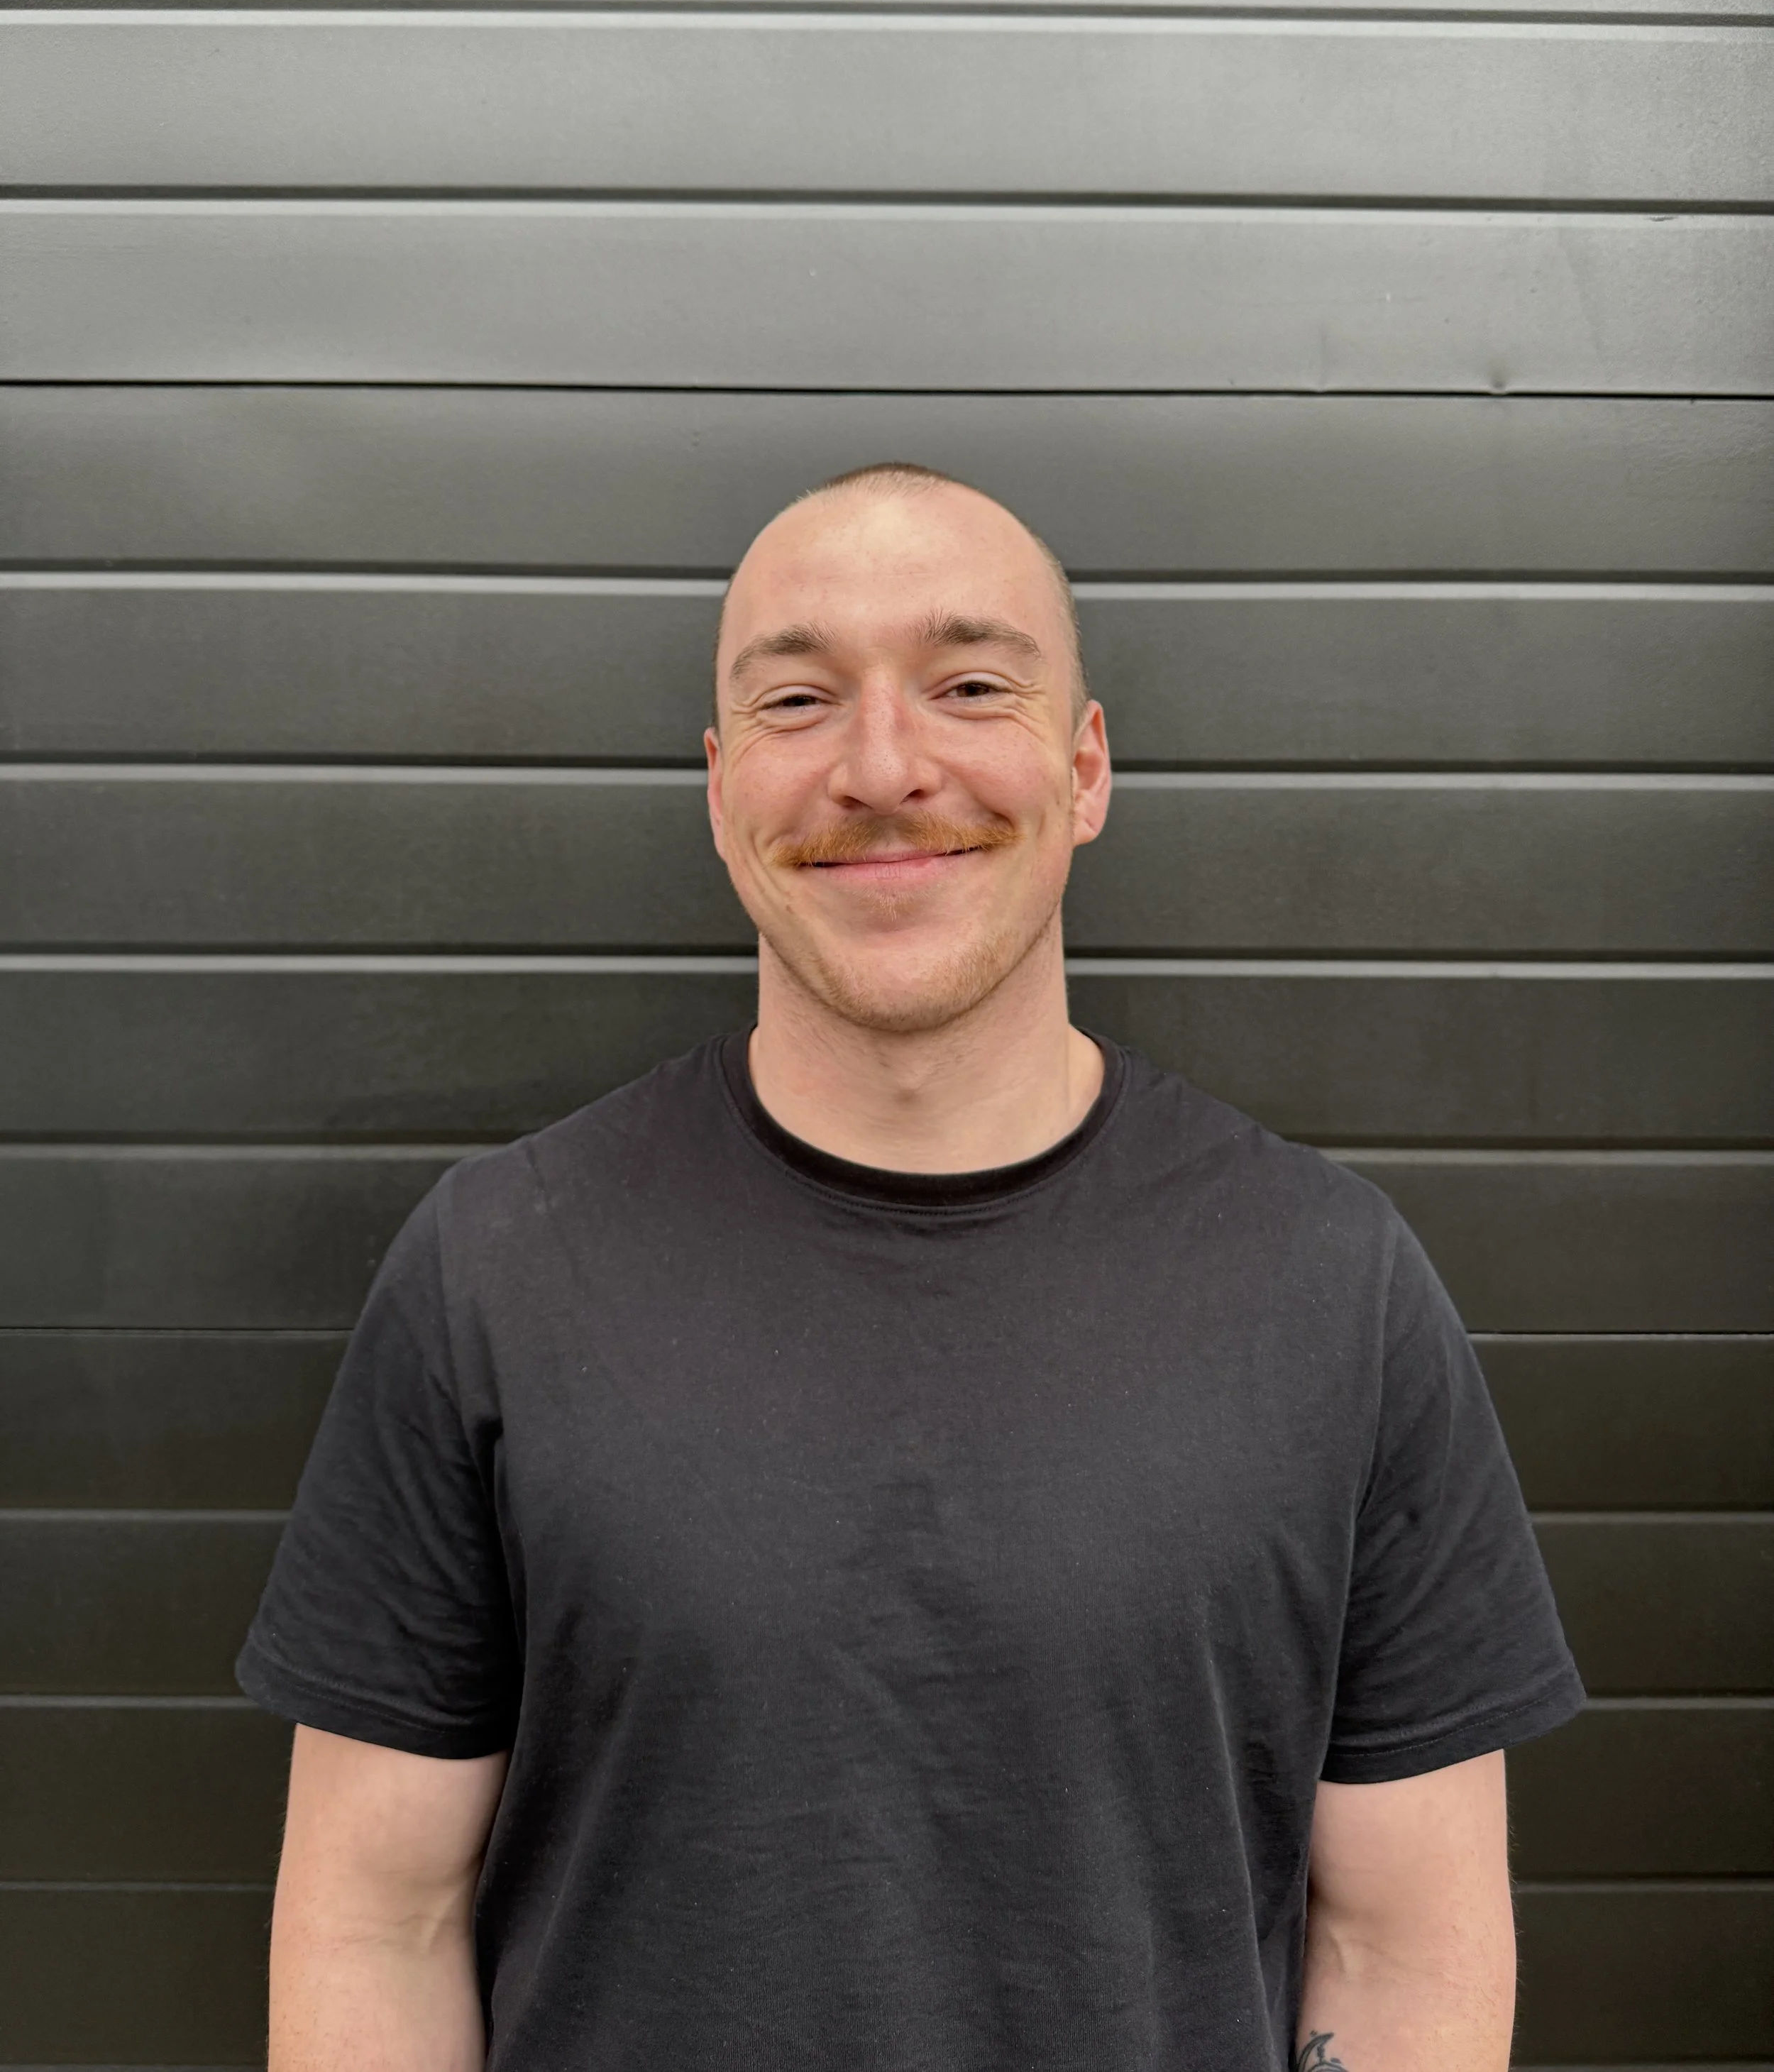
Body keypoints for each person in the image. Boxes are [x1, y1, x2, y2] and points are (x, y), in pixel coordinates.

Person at [241, 463, 1583, 2072]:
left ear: (1083, 769)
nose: (882, 768)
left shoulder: (1332, 1286)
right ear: (719, 785)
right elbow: (375, 1918)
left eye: (967, 686)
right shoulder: (493, 1272)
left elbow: (1401, 1940)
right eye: (799, 700)